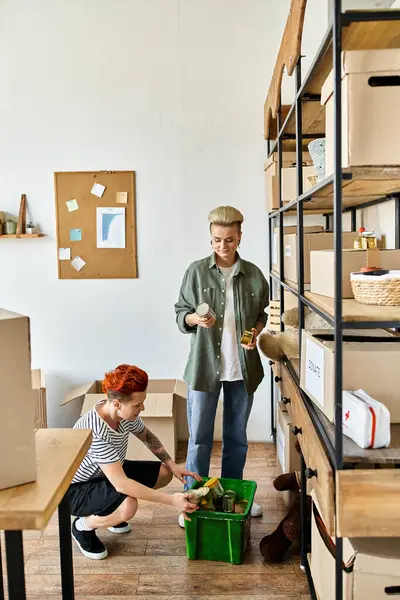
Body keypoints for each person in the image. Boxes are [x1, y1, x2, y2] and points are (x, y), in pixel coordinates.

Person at [175, 205, 269, 527]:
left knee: (236, 438)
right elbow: (179, 314)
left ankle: (233, 498)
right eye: (216, 240)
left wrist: (255, 332)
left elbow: (262, 314)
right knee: (199, 438)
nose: (222, 246)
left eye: (229, 239)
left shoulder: (254, 275)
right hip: (203, 369)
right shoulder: (196, 271)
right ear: (211, 237)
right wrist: (194, 318)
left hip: (242, 369)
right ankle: (191, 501)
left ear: (239, 237)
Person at [68, 364, 200, 560]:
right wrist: (172, 500)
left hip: (107, 473)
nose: (142, 408)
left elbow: (147, 436)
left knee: (164, 472)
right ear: (116, 403)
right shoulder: (96, 431)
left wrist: (172, 465)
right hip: (76, 489)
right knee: (128, 505)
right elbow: (122, 485)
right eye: (138, 405)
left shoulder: (123, 414)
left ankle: (109, 513)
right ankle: (82, 527)